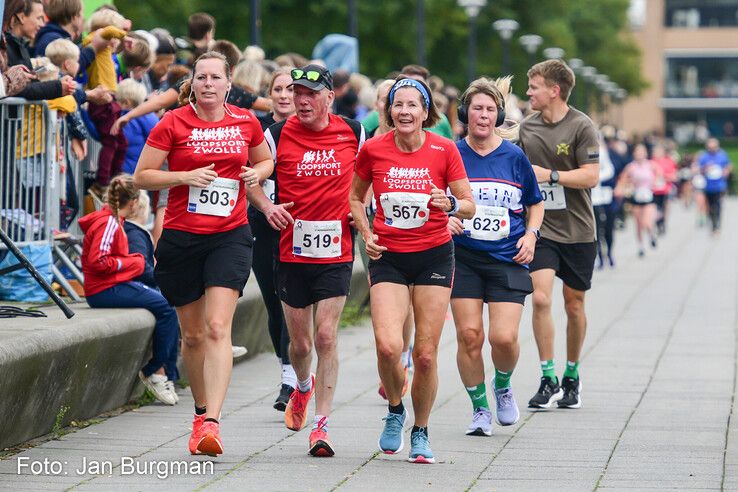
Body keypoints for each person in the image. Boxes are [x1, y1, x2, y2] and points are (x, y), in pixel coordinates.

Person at [133, 51, 274, 457]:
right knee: (192, 336)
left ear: (230, 84)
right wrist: (184, 176)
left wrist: (256, 173)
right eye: (202, 77)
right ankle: (199, 413)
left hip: (229, 235)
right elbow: (143, 175)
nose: (209, 84)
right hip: (181, 237)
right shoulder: (173, 122)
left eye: (216, 77)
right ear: (192, 83)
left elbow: (266, 161)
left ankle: (212, 421)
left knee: (216, 328)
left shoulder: (245, 121)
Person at [349, 77, 474, 463]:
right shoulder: (373, 149)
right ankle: (394, 411)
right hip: (388, 256)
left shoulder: (444, 149)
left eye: (412, 105)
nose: (404, 111)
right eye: (397, 105)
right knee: (388, 346)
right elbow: (354, 197)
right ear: (388, 111)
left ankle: (420, 430)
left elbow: (468, 204)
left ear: (425, 112)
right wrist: (366, 233)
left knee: (424, 355)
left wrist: (450, 203)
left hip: (434, 255)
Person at [247, 64, 365, 458]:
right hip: (292, 248)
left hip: (337, 248)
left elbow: (368, 178)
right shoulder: (277, 134)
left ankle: (322, 426)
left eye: (311, 94)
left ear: (330, 97)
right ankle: (301, 385)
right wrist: (267, 208)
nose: (301, 100)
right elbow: (250, 180)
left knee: (327, 336)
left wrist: (360, 212)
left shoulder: (354, 131)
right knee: (300, 344)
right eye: (297, 93)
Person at [448, 77, 543, 436]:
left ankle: (502, 384)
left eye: (490, 109)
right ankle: (479, 409)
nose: (483, 116)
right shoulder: (452, 153)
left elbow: (535, 203)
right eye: (477, 109)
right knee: (469, 336)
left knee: (503, 338)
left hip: (508, 258)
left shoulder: (514, 156)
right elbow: (437, 198)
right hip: (464, 258)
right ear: (465, 113)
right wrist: (446, 220)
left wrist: (532, 235)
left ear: (498, 115)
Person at [518, 59, 599, 410]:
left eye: (533, 86)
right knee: (540, 299)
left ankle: (572, 374)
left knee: (574, 303)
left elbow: (591, 175)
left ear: (554, 90)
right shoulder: (526, 128)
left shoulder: (582, 126)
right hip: (542, 229)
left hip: (579, 230)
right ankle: (547, 376)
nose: (528, 92)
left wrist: (548, 175)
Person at [80, 175, 179, 406]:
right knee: (165, 308)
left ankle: (166, 373)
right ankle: (155, 371)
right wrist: (131, 263)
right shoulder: (109, 223)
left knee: (166, 302)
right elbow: (98, 262)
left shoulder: (115, 221)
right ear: (133, 203)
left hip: (111, 285)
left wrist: (128, 261)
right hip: (103, 290)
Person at [248, 68, 297, 411]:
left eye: (291, 89)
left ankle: (290, 378)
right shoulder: (259, 131)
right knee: (272, 301)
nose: (284, 95)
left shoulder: (314, 132)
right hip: (264, 220)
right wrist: (266, 206)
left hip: (300, 225)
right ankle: (287, 364)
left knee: (291, 298)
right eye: (277, 89)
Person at [615, 143, 662, 257]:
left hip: (649, 197)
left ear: (645, 153)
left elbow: (660, 175)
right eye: (637, 152)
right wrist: (623, 187)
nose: (639, 154)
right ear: (634, 154)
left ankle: (651, 234)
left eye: (642, 152)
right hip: (636, 197)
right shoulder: (631, 167)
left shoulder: (651, 165)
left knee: (647, 222)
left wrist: (656, 183)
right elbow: (622, 179)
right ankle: (640, 246)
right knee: (638, 224)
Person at [116, 78, 159, 174]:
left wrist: (85, 114)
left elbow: (102, 135)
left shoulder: (125, 121)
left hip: (125, 172)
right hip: (145, 171)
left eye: (118, 100)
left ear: (127, 102)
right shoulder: (151, 117)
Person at [697, 137, 733, 233]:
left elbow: (729, 165)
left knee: (717, 205)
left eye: (714, 147)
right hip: (707, 186)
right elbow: (698, 169)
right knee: (708, 206)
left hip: (719, 185)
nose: (712, 149)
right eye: (710, 147)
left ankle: (716, 224)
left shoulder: (722, 155)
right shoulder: (704, 156)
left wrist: (726, 171)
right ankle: (712, 220)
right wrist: (705, 168)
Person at [651, 144, 677, 235]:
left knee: (665, 206)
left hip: (666, 189)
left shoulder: (669, 161)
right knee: (655, 209)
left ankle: (663, 222)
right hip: (653, 190)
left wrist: (664, 177)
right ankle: (658, 222)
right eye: (655, 151)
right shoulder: (650, 162)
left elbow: (674, 176)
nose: (657, 153)